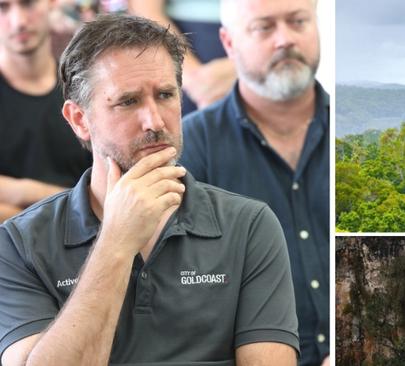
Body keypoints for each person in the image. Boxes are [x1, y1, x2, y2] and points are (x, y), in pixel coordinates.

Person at [0, 14, 298, 366]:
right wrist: (115, 241)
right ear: (79, 119)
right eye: (128, 101)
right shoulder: (20, 244)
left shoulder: (250, 227)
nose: (155, 121)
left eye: (166, 95)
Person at [179, 0, 329, 365]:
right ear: (228, 44)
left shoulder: (350, 130)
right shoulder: (191, 147)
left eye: (298, 22)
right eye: (264, 27)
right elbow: (180, 299)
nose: (285, 40)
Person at [0, 0, 92, 222]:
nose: (19, 22)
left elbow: (107, 192)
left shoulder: (85, 89)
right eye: (3, 7)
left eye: (28, 3)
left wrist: (18, 192)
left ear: (52, 3)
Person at [129, 0, 236, 115]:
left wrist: (239, 70)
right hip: (180, 76)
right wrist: (193, 79)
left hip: (248, 71)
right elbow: (144, 10)